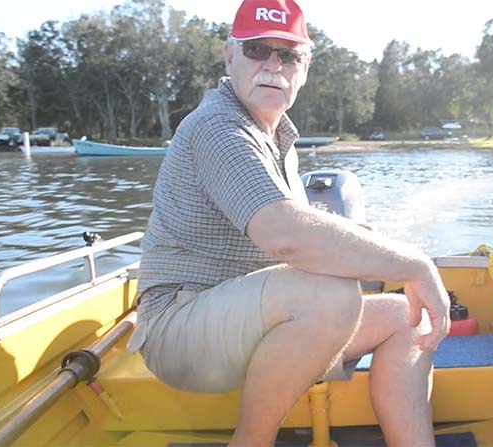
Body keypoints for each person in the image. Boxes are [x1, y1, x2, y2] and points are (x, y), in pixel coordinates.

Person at [126, 0, 451, 446]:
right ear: (230, 56)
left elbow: (296, 234)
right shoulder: (218, 126)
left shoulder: (277, 138)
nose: (273, 65)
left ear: (305, 68)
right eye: (258, 50)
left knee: (405, 317)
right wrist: (416, 265)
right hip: (178, 330)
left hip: (248, 324)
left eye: (289, 55)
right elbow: (285, 235)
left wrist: (354, 242)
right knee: (328, 295)